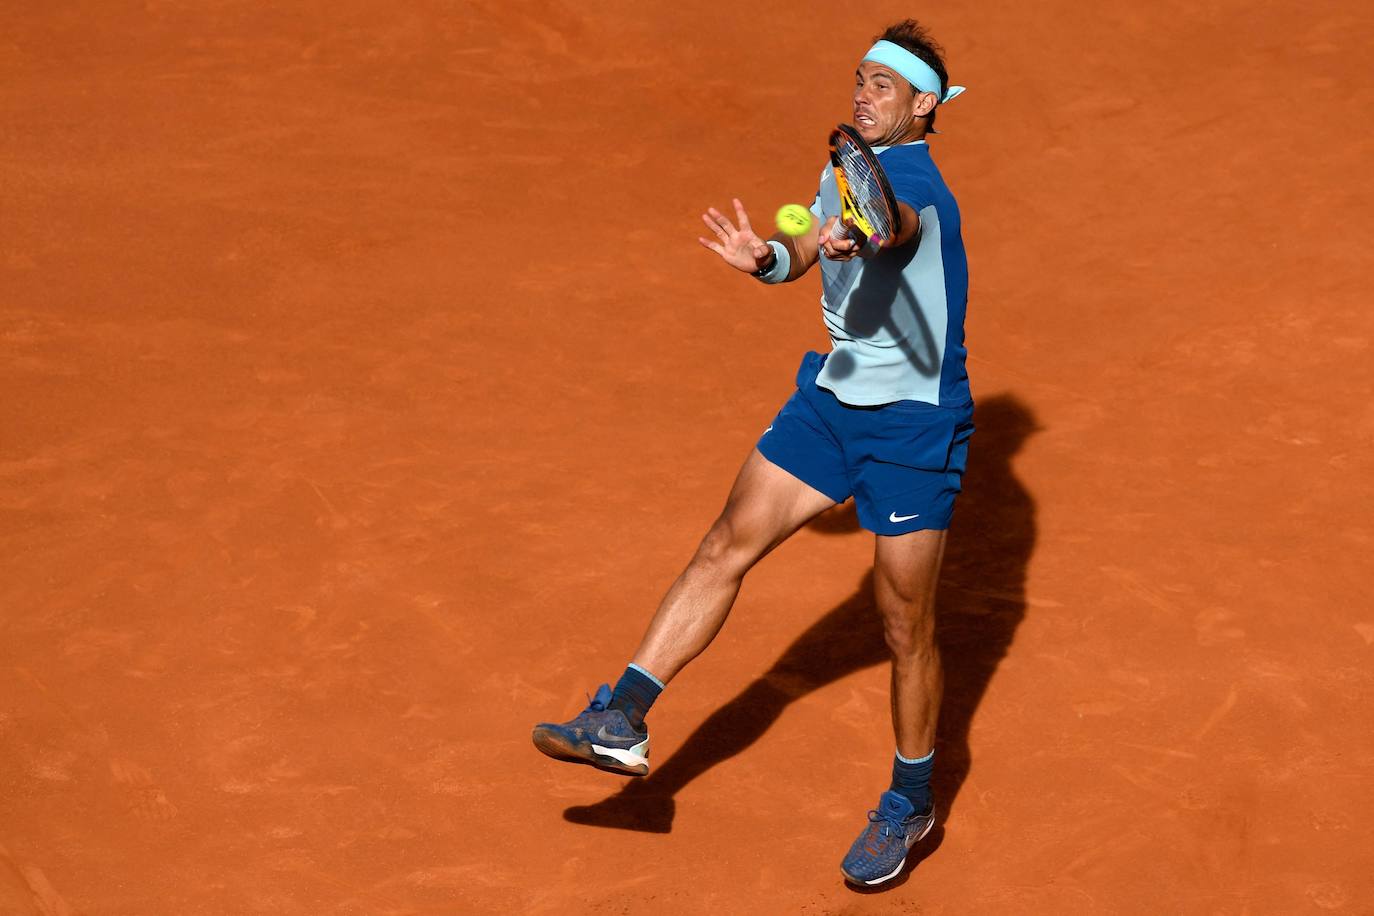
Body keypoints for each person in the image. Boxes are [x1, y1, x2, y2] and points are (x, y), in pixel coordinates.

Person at [533, 19, 972, 888]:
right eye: (859, 79)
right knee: (724, 542)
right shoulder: (846, 164)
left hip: (913, 426)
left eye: (882, 86)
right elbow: (813, 242)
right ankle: (622, 715)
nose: (862, 93)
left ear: (923, 106)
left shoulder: (918, 186)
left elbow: (895, 232)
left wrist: (864, 233)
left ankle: (910, 800)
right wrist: (772, 257)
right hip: (831, 401)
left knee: (903, 625)